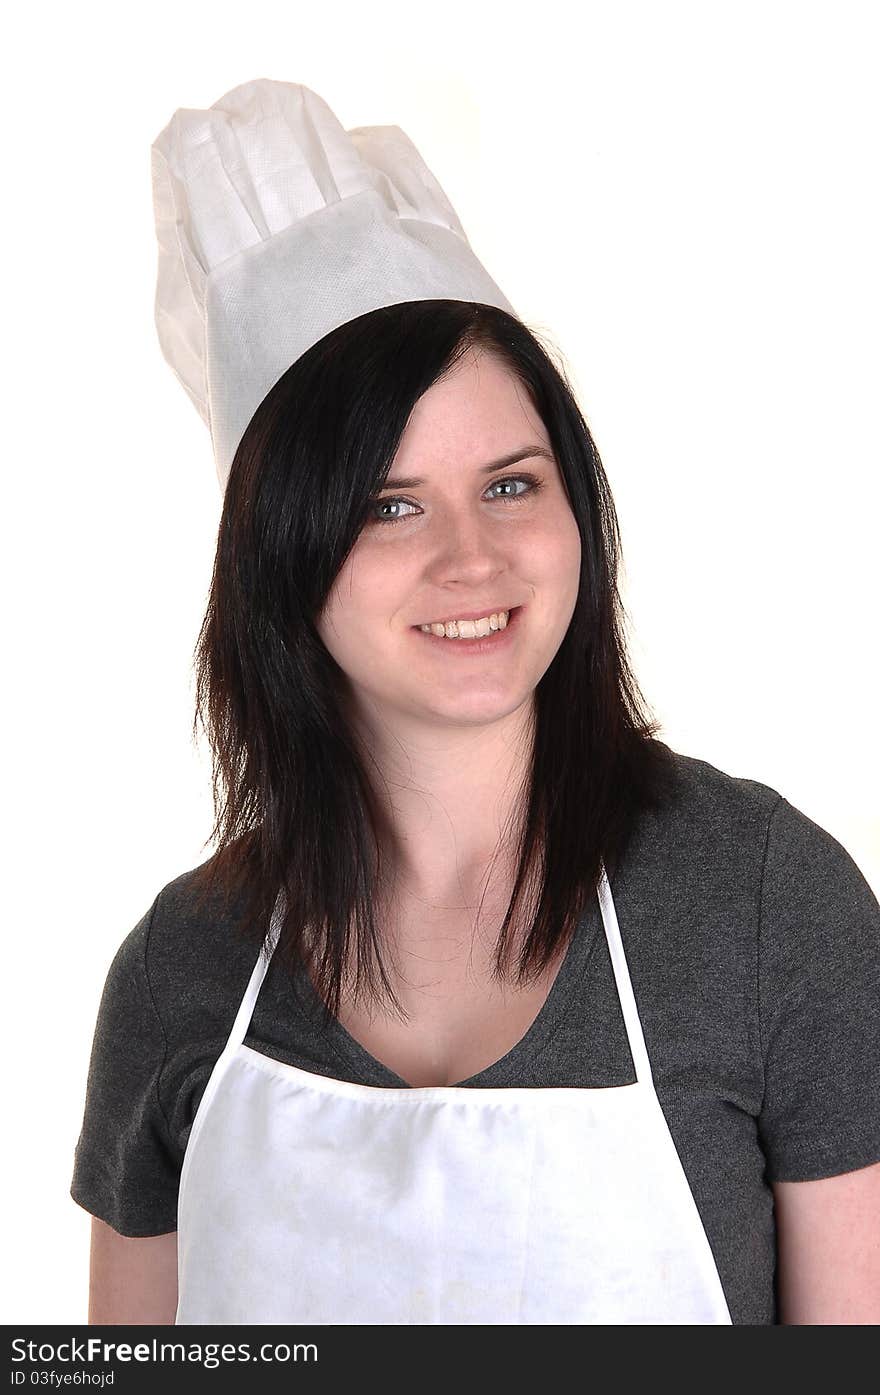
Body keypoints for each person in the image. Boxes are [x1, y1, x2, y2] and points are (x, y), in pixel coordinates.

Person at [70, 81, 880, 1326]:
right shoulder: (182, 970)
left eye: (511, 484)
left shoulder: (768, 903)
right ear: (282, 557)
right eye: (389, 504)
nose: (471, 559)